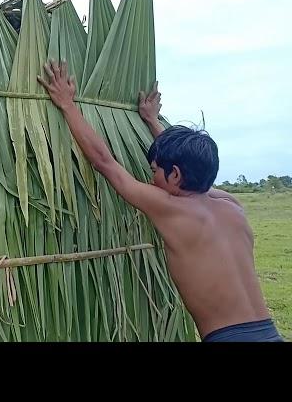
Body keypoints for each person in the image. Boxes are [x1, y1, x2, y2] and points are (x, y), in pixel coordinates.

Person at [38, 60, 283, 342]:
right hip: (269, 334)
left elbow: (106, 163)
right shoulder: (232, 206)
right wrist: (153, 121)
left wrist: (68, 105)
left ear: (175, 175)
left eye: (154, 171)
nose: (152, 177)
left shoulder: (173, 209)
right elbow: (188, 168)